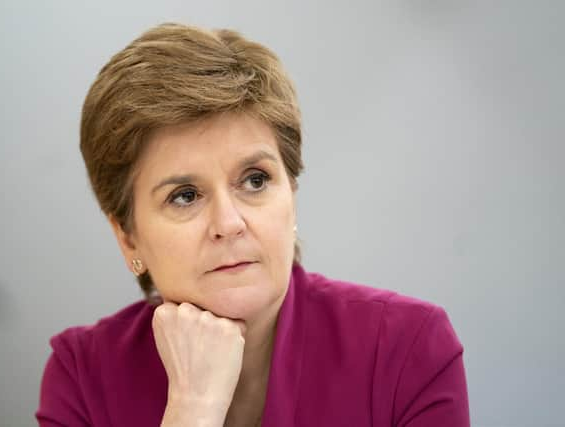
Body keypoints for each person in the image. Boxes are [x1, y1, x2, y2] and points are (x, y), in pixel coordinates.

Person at [36, 22, 470, 427]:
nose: (229, 223)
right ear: (127, 237)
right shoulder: (82, 378)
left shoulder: (409, 350)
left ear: (292, 194)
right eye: (185, 195)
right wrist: (193, 408)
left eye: (255, 180)